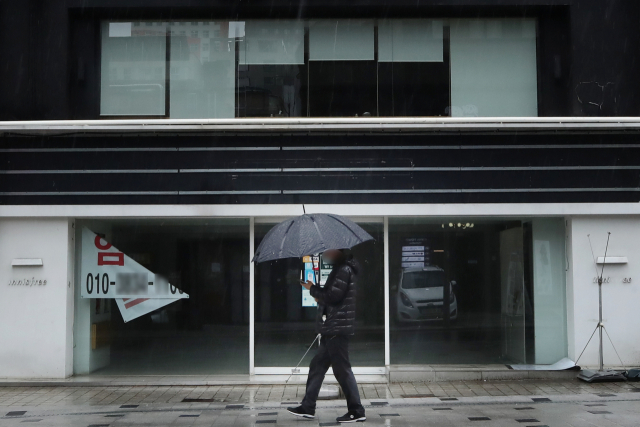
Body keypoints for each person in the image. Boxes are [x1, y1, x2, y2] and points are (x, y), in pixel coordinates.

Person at [287, 249, 366, 423]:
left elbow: (333, 296)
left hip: (337, 328)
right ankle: (307, 407)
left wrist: (312, 289)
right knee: (317, 367)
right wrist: (318, 293)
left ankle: (357, 410)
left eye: (329, 251)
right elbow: (332, 296)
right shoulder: (341, 268)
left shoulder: (344, 269)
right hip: (332, 327)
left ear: (338, 251)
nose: (326, 254)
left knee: (342, 370)